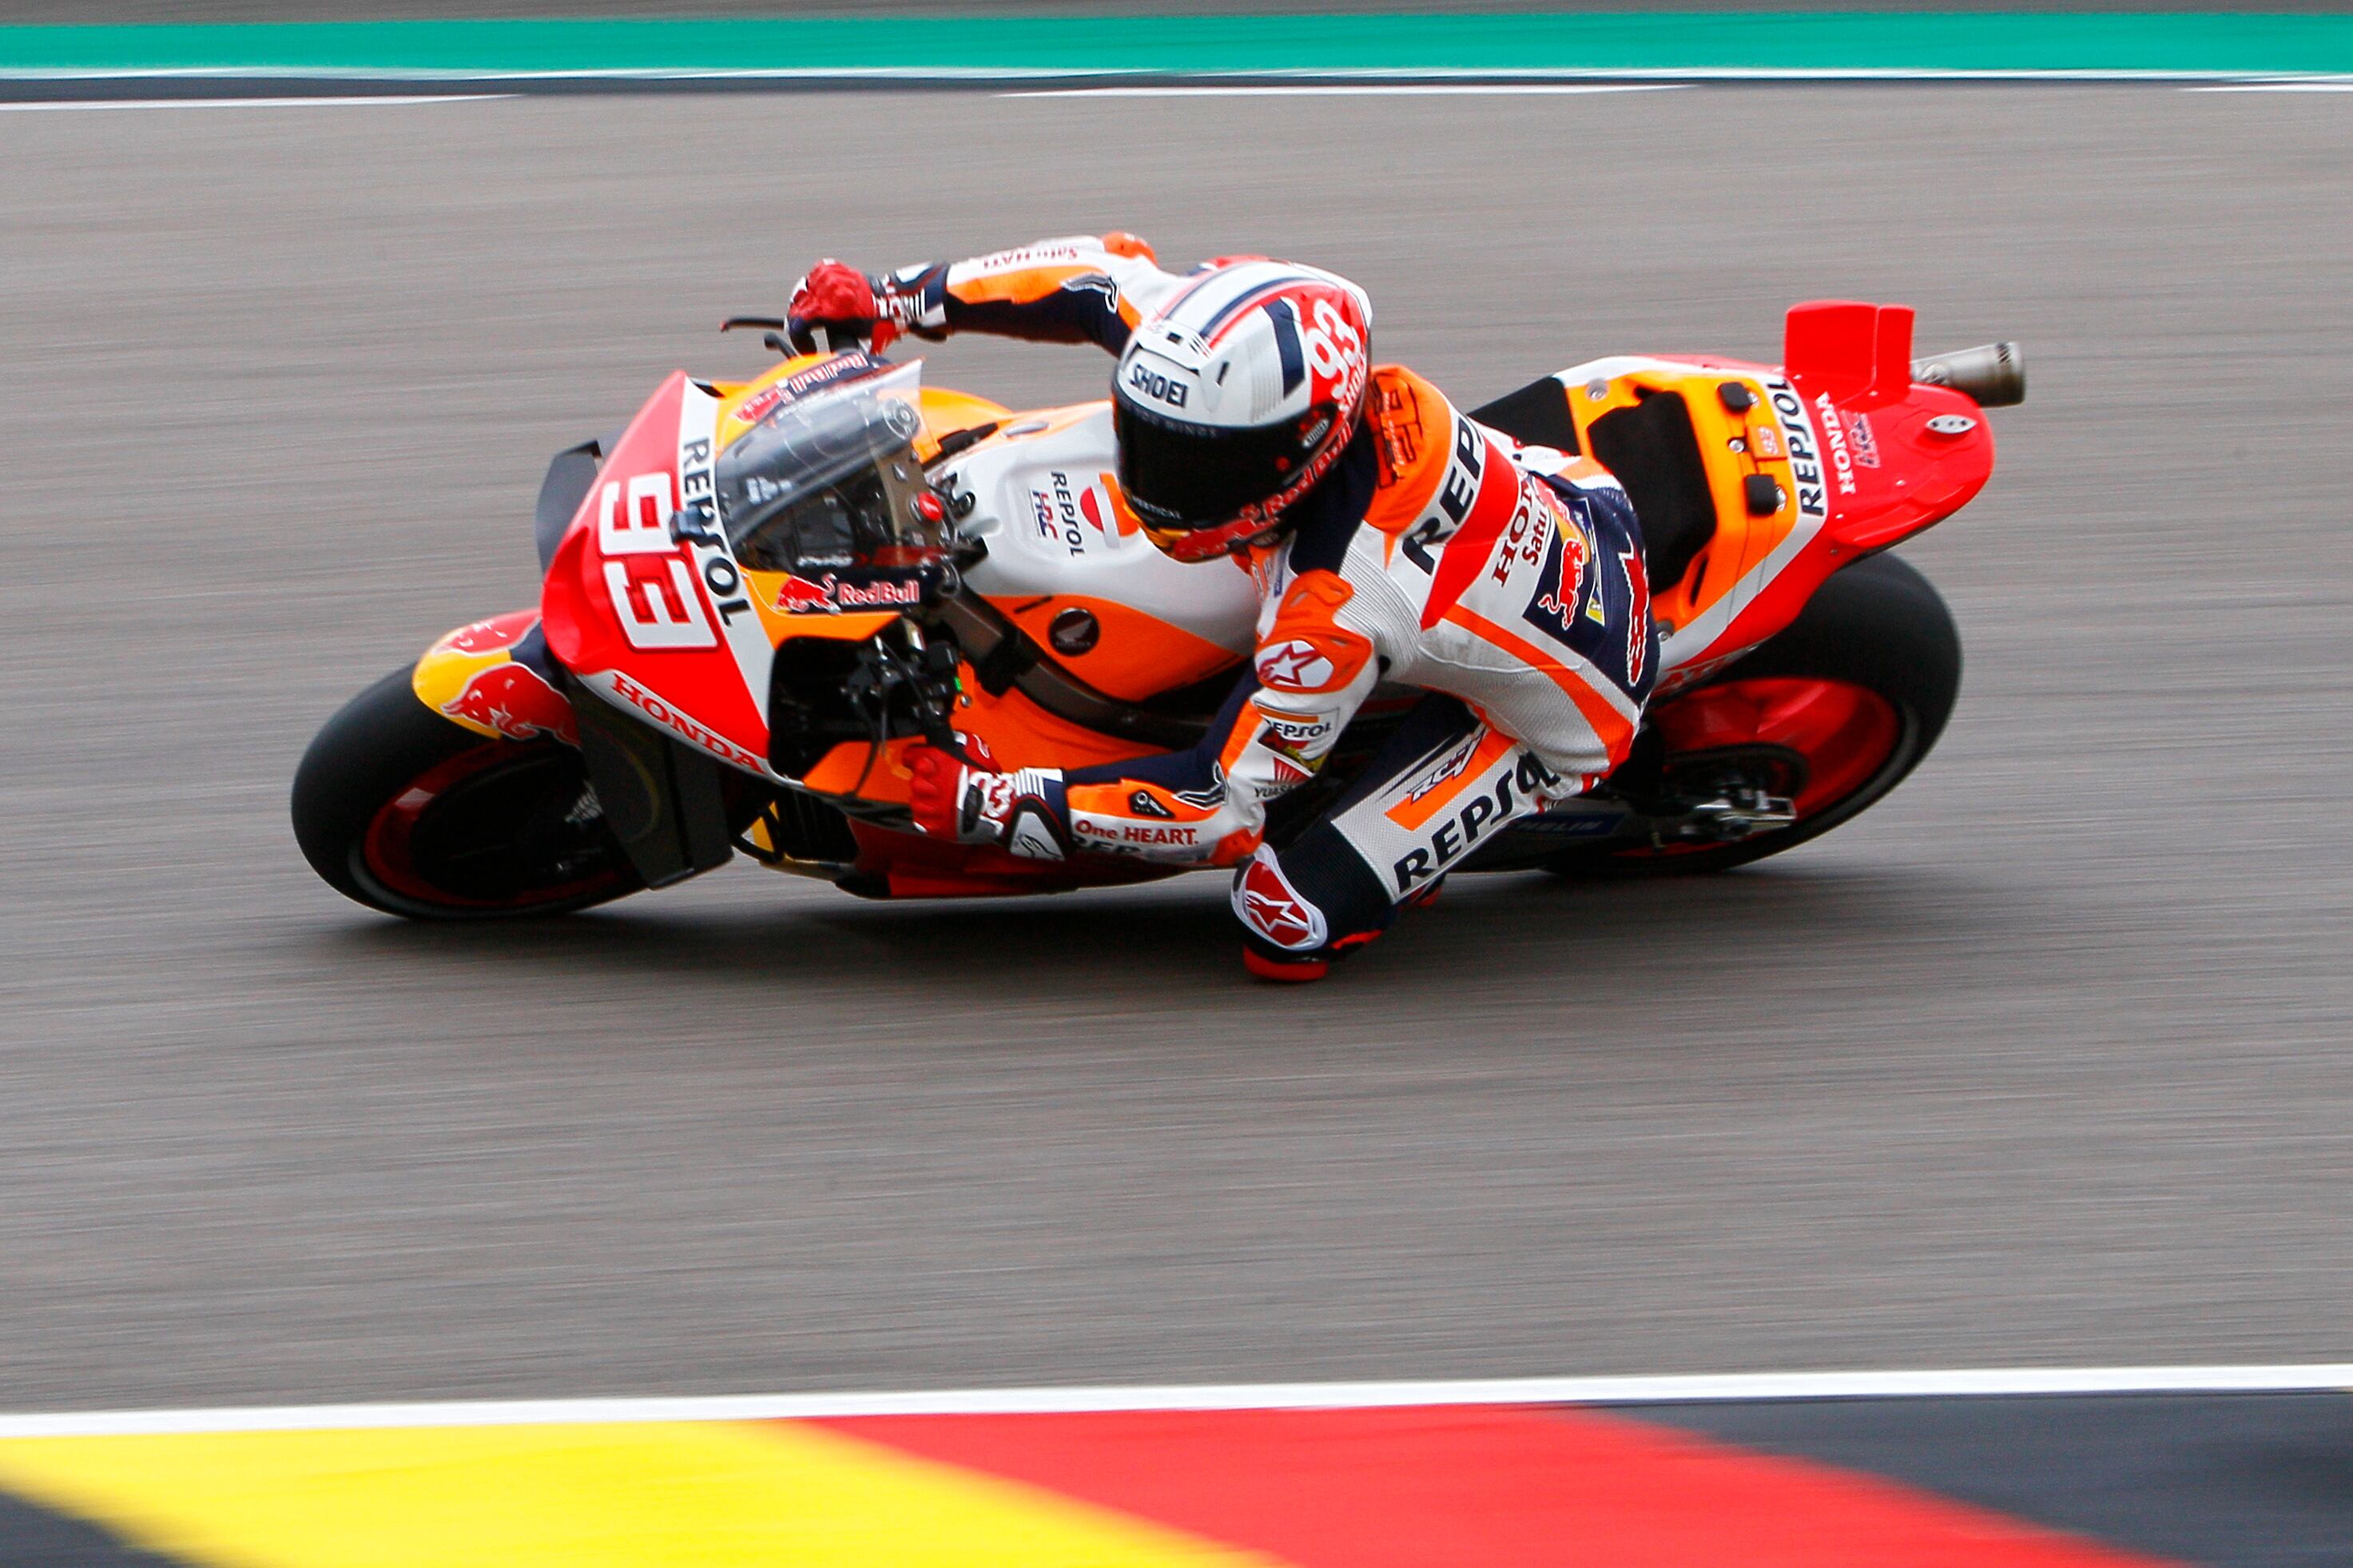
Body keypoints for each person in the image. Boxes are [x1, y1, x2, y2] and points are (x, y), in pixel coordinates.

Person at [786, 234, 1658, 980]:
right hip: (1556, 489)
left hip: (1570, 699)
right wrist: (894, 297)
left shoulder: (1336, 600)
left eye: (1191, 467)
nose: (1154, 483)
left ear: (1299, 454)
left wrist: (996, 803)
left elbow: (1215, 805)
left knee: (1280, 919)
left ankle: (1422, 817)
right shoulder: (1216, 346)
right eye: (1148, 437)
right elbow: (1092, 275)